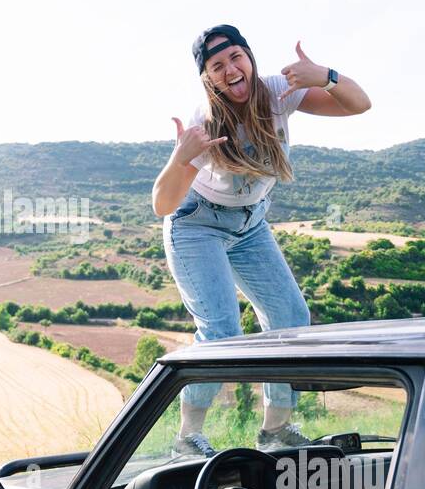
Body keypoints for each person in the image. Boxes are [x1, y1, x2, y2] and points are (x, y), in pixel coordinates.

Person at [152, 24, 371, 456]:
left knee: (290, 315)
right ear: (208, 78)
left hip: (251, 224)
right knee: (221, 331)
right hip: (199, 224)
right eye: (217, 66)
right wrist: (179, 159)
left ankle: (275, 429)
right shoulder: (205, 122)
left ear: (249, 58)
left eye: (236, 57)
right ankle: (187, 438)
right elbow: (163, 203)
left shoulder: (277, 93)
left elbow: (359, 105)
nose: (230, 69)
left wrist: (324, 75)